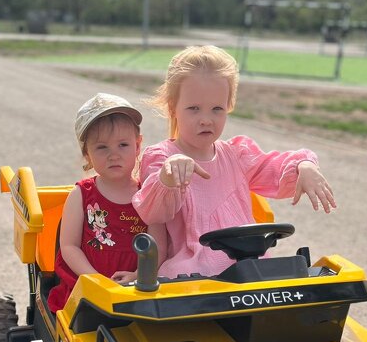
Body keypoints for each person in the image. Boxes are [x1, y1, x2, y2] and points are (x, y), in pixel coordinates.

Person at [132, 45, 336, 279]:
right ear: (173, 108)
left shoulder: (237, 155)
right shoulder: (162, 158)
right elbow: (153, 213)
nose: (206, 120)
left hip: (249, 265)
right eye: (194, 109)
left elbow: (275, 170)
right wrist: (168, 178)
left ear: (228, 107)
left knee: (297, 274)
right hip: (194, 270)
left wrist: (304, 165)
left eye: (217, 109)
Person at [47, 93, 150, 313]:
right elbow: (69, 246)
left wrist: (140, 274)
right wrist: (94, 279)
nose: (114, 155)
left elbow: (160, 244)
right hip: (88, 286)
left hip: (137, 287)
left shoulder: (147, 193)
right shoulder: (82, 194)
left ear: (138, 145)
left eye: (123, 145)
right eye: (102, 147)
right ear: (87, 154)